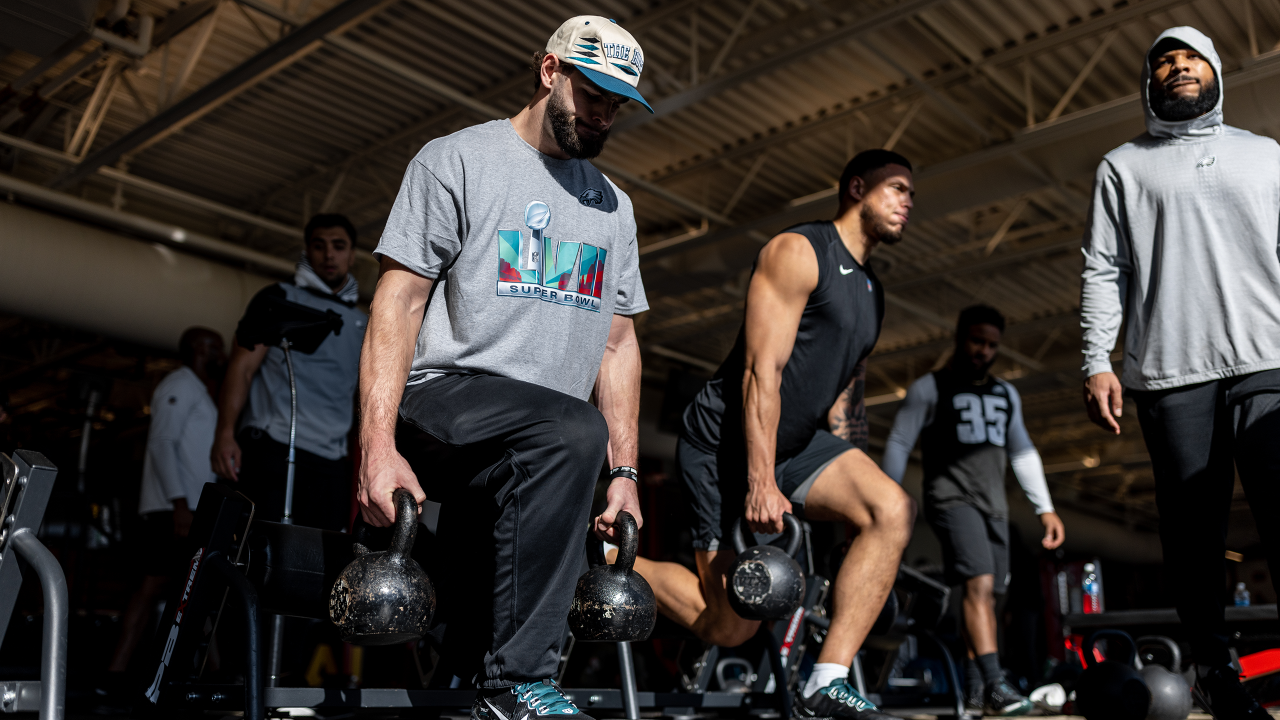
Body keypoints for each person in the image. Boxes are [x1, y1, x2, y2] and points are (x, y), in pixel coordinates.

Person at [356, 16, 650, 720]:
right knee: (569, 431)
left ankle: (486, 676)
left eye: (617, 104)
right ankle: (520, 681)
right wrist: (376, 447)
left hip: (545, 443)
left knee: (560, 455)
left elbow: (618, 346)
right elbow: (398, 303)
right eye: (592, 94)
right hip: (445, 399)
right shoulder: (457, 161)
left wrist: (627, 476)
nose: (603, 114)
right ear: (550, 71)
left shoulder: (614, 208)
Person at [630, 150, 916, 720]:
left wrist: (846, 501)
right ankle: (617, 557)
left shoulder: (871, 293)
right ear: (856, 187)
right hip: (723, 446)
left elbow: (843, 399)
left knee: (891, 509)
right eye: (898, 189)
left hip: (797, 443)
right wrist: (760, 481)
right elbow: (762, 374)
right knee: (727, 626)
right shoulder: (798, 251)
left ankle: (827, 681)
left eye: (912, 194)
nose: (909, 202)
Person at [1080, 26, 1280, 720]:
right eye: (1164, 58)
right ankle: (1217, 676)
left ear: (1216, 71)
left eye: (1190, 56)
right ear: (1150, 83)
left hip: (1268, 359)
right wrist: (1094, 360)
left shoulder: (1265, 157)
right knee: (1196, 536)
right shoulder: (1123, 167)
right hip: (1170, 371)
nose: (1178, 65)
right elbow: (1104, 269)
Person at [882, 305, 1064, 716]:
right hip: (951, 499)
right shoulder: (930, 388)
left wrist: (1045, 509)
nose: (984, 350)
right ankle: (997, 684)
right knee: (980, 587)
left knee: (988, 599)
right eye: (977, 341)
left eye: (992, 345)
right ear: (961, 339)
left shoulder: (1005, 394)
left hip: (994, 507)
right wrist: (887, 500)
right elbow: (898, 442)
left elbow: (1022, 451)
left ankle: (974, 688)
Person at [210, 213, 366, 531]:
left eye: (339, 246)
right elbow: (242, 368)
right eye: (319, 245)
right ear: (307, 251)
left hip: (331, 460)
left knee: (319, 561)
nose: (329, 254)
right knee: (256, 553)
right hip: (273, 446)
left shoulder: (363, 322)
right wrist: (225, 432)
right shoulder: (277, 297)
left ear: (351, 254)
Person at [107, 327, 225, 676]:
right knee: (153, 586)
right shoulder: (179, 385)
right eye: (217, 348)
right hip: (174, 509)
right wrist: (179, 506)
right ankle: (115, 673)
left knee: (197, 587)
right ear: (201, 350)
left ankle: (207, 675)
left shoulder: (200, 391)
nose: (222, 356)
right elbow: (161, 444)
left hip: (191, 507)